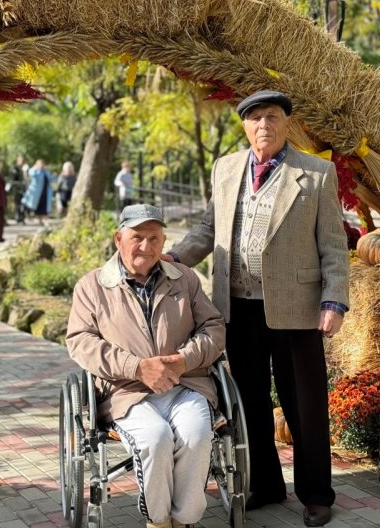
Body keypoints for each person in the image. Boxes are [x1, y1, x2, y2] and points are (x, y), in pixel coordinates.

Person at [164, 90, 350, 528]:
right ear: (244, 126)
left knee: (303, 403)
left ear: (287, 123)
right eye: (254, 118)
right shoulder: (226, 169)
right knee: (248, 403)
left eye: (272, 117)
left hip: (296, 308)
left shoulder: (316, 173)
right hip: (238, 308)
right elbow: (209, 228)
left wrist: (334, 299)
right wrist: (174, 258)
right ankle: (265, 483)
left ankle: (317, 493)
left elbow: (334, 245)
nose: (263, 125)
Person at [66, 204, 226, 528]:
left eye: (155, 238)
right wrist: (137, 367)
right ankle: (158, 520)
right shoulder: (92, 286)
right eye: (137, 237)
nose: (146, 246)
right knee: (156, 438)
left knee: (196, 435)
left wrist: (184, 360)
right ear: (118, 239)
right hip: (127, 393)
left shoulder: (185, 280)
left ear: (164, 241)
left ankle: (182, 520)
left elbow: (214, 327)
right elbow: (80, 342)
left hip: (186, 385)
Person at [21, 159, 53, 223]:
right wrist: (35, 167)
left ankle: (42, 219)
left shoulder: (45, 172)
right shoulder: (36, 171)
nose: (42, 165)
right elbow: (31, 173)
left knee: (44, 206)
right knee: (33, 205)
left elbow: (51, 178)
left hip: (45, 192)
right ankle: (36, 218)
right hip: (36, 192)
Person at [8, 154, 28, 224]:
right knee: (18, 204)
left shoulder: (23, 169)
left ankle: (22, 217)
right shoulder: (14, 168)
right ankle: (18, 218)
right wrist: (20, 183)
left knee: (23, 204)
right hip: (17, 189)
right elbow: (12, 180)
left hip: (22, 189)